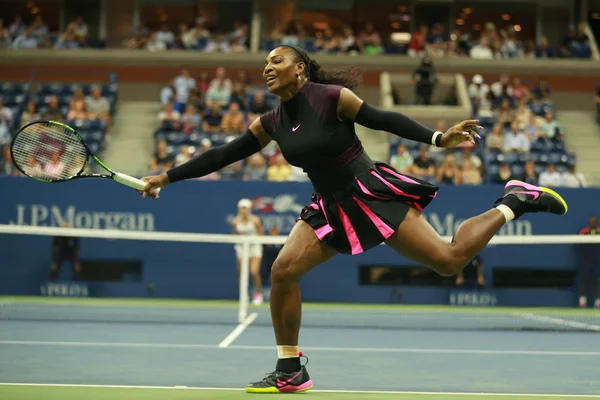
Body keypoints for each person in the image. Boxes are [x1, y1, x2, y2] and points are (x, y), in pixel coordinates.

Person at [139, 45, 568, 393]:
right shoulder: (271, 121)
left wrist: (437, 138)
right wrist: (167, 176)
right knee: (283, 270)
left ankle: (513, 200)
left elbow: (383, 119)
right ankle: (291, 368)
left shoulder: (330, 97)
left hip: (368, 191)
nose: (268, 67)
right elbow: (223, 154)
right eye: (266, 62)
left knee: (450, 259)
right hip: (327, 204)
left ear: (300, 69)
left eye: (277, 61)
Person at [232, 198, 265, 305]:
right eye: (242, 208)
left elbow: (261, 234)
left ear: (249, 209)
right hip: (241, 248)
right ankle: (244, 295)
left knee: (254, 271)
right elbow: (234, 235)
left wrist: (255, 242)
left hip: (254, 247)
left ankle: (258, 293)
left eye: (245, 208)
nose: (244, 211)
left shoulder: (255, 220)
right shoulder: (235, 221)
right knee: (242, 273)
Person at [578, 216, 599, 308]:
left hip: (598, 261)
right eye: (591, 221)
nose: (592, 223)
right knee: (584, 280)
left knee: (598, 280)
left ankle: (598, 301)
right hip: (586, 260)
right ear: (588, 222)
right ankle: (582, 301)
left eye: (594, 221)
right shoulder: (583, 232)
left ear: (596, 222)